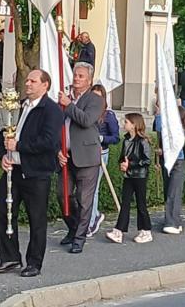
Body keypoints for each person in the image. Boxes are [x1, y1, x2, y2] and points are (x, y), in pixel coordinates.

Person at [0, 69, 63, 277]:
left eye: (33, 81)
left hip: (36, 173)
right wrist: (2, 155)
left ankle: (34, 263)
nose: (28, 84)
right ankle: (10, 257)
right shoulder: (19, 106)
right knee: (4, 212)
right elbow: (3, 134)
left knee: (36, 219)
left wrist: (19, 146)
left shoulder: (51, 110)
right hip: (13, 171)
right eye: (28, 80)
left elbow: (49, 142)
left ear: (45, 85)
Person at [56, 63, 104, 253]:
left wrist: (68, 105)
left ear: (89, 80)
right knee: (63, 195)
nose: (76, 78)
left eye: (81, 76)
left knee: (84, 200)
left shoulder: (95, 99)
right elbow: (56, 126)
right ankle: (73, 227)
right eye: (75, 75)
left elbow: (86, 120)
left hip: (86, 157)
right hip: (66, 156)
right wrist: (58, 150)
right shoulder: (64, 97)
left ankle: (79, 238)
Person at [106, 113, 153, 244]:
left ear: (134, 125)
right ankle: (119, 231)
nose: (124, 124)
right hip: (128, 175)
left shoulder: (142, 141)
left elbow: (147, 160)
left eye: (126, 122)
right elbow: (123, 157)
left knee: (141, 204)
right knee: (125, 203)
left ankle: (146, 230)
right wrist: (122, 164)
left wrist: (130, 164)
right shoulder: (126, 140)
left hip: (140, 176)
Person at [87, 84, 119, 238]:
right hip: (86, 153)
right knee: (85, 189)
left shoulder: (108, 115)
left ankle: (92, 220)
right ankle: (90, 217)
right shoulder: (86, 112)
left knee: (93, 188)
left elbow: (116, 137)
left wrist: (101, 139)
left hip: (100, 154)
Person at [154, 104, 185, 235]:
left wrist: (163, 151)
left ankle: (172, 222)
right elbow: (159, 129)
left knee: (174, 191)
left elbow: (175, 146)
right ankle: (173, 219)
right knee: (169, 190)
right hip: (168, 161)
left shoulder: (179, 129)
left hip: (177, 161)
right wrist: (158, 115)